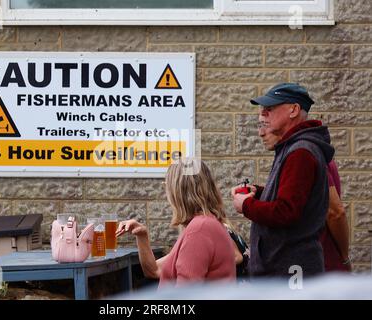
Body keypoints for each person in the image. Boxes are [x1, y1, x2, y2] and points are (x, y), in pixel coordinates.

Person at [231, 83, 335, 278]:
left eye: (269, 109)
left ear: (294, 110)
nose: (263, 116)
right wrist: (259, 191)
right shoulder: (293, 148)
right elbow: (294, 198)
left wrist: (246, 205)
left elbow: (286, 211)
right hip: (285, 270)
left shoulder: (301, 152)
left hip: (291, 272)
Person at [116, 158, 236, 287]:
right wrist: (142, 236)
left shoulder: (199, 230)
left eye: (167, 185)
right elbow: (155, 271)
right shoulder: (207, 223)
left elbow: (185, 293)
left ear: (178, 190)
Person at [257, 121, 351, 272]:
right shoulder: (293, 155)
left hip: (322, 260)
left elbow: (334, 211)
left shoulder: (304, 156)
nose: (261, 132)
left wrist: (345, 257)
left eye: (267, 125)